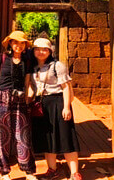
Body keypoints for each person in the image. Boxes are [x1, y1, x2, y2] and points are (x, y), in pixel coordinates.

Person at [29, 38, 82, 180]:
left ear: (50, 51)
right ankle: (52, 169)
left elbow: (65, 87)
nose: (41, 52)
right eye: (37, 49)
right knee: (48, 139)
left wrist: (66, 107)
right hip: (42, 104)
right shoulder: (32, 67)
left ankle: (74, 173)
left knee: (66, 136)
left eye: (44, 49)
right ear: (33, 50)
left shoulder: (58, 66)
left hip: (58, 102)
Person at [0, 30, 37, 180]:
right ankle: (4, 172)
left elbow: (27, 82)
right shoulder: (0, 58)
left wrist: (29, 96)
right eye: (15, 42)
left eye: (22, 43)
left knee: (23, 136)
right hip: (1, 99)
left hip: (20, 101)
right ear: (10, 43)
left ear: (25, 45)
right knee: (0, 136)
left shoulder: (26, 61)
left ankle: (28, 171)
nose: (18, 45)